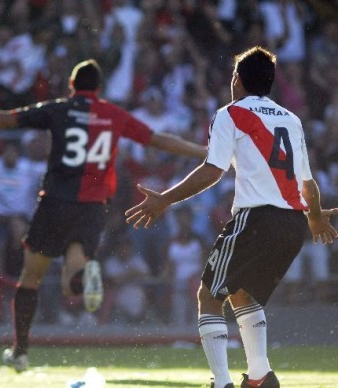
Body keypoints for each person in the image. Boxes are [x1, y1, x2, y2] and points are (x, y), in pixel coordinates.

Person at [0, 58, 206, 372]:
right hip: (92, 208)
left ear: (72, 85)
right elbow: (158, 140)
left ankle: (20, 352)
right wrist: (203, 152)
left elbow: (3, 119)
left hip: (56, 203)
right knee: (70, 284)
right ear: (99, 88)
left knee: (30, 278)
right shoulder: (113, 115)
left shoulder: (59, 109)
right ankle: (84, 274)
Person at [125, 46, 338, 388]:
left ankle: (221, 382)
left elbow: (213, 171)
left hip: (257, 219)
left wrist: (165, 199)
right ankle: (259, 376)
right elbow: (308, 182)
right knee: (241, 293)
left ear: (236, 80)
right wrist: (314, 217)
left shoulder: (230, 114)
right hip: (293, 224)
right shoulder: (291, 119)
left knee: (209, 296)